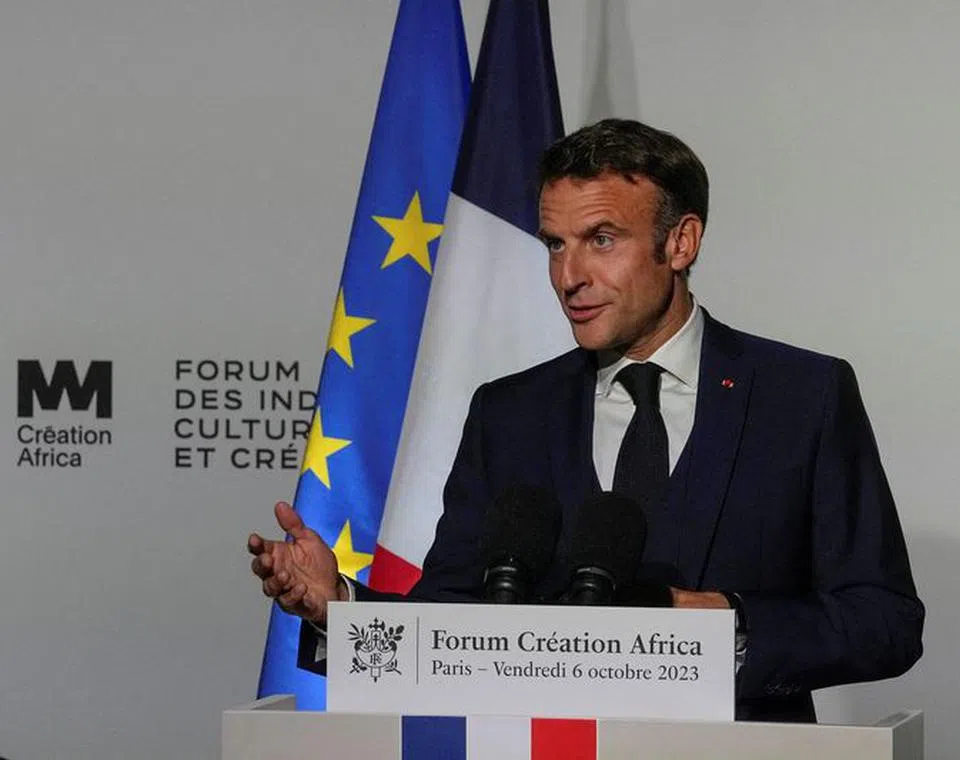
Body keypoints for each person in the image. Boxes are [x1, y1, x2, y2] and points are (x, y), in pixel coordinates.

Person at [250, 119, 924, 722]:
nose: (568, 275)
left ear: (680, 242)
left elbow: (884, 621)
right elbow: (453, 624)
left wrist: (729, 624)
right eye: (554, 244)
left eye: (602, 239)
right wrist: (340, 603)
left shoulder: (801, 395)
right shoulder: (509, 412)